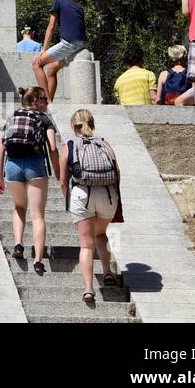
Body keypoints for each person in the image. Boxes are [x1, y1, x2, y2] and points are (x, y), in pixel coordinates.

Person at [0, 86, 61, 275]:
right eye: (44, 99)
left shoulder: (12, 116)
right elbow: (54, 149)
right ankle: (38, 260)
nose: (47, 103)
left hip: (12, 165)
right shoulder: (44, 119)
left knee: (19, 207)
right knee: (38, 215)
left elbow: (1, 148)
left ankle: (18, 244)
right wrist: (58, 172)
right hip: (35, 164)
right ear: (34, 101)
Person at [59, 109, 120, 305]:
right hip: (107, 194)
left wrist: (68, 200)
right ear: (92, 124)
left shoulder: (69, 146)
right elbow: (117, 172)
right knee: (101, 235)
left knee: (86, 245)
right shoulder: (104, 143)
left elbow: (62, 181)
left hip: (82, 194)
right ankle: (108, 272)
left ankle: (88, 289)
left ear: (72, 126)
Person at [32, 0, 87, 102]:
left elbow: (51, 27)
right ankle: (49, 101)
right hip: (81, 44)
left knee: (37, 64)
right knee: (51, 69)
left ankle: (46, 101)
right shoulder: (79, 8)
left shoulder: (58, 2)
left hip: (69, 43)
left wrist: (44, 50)